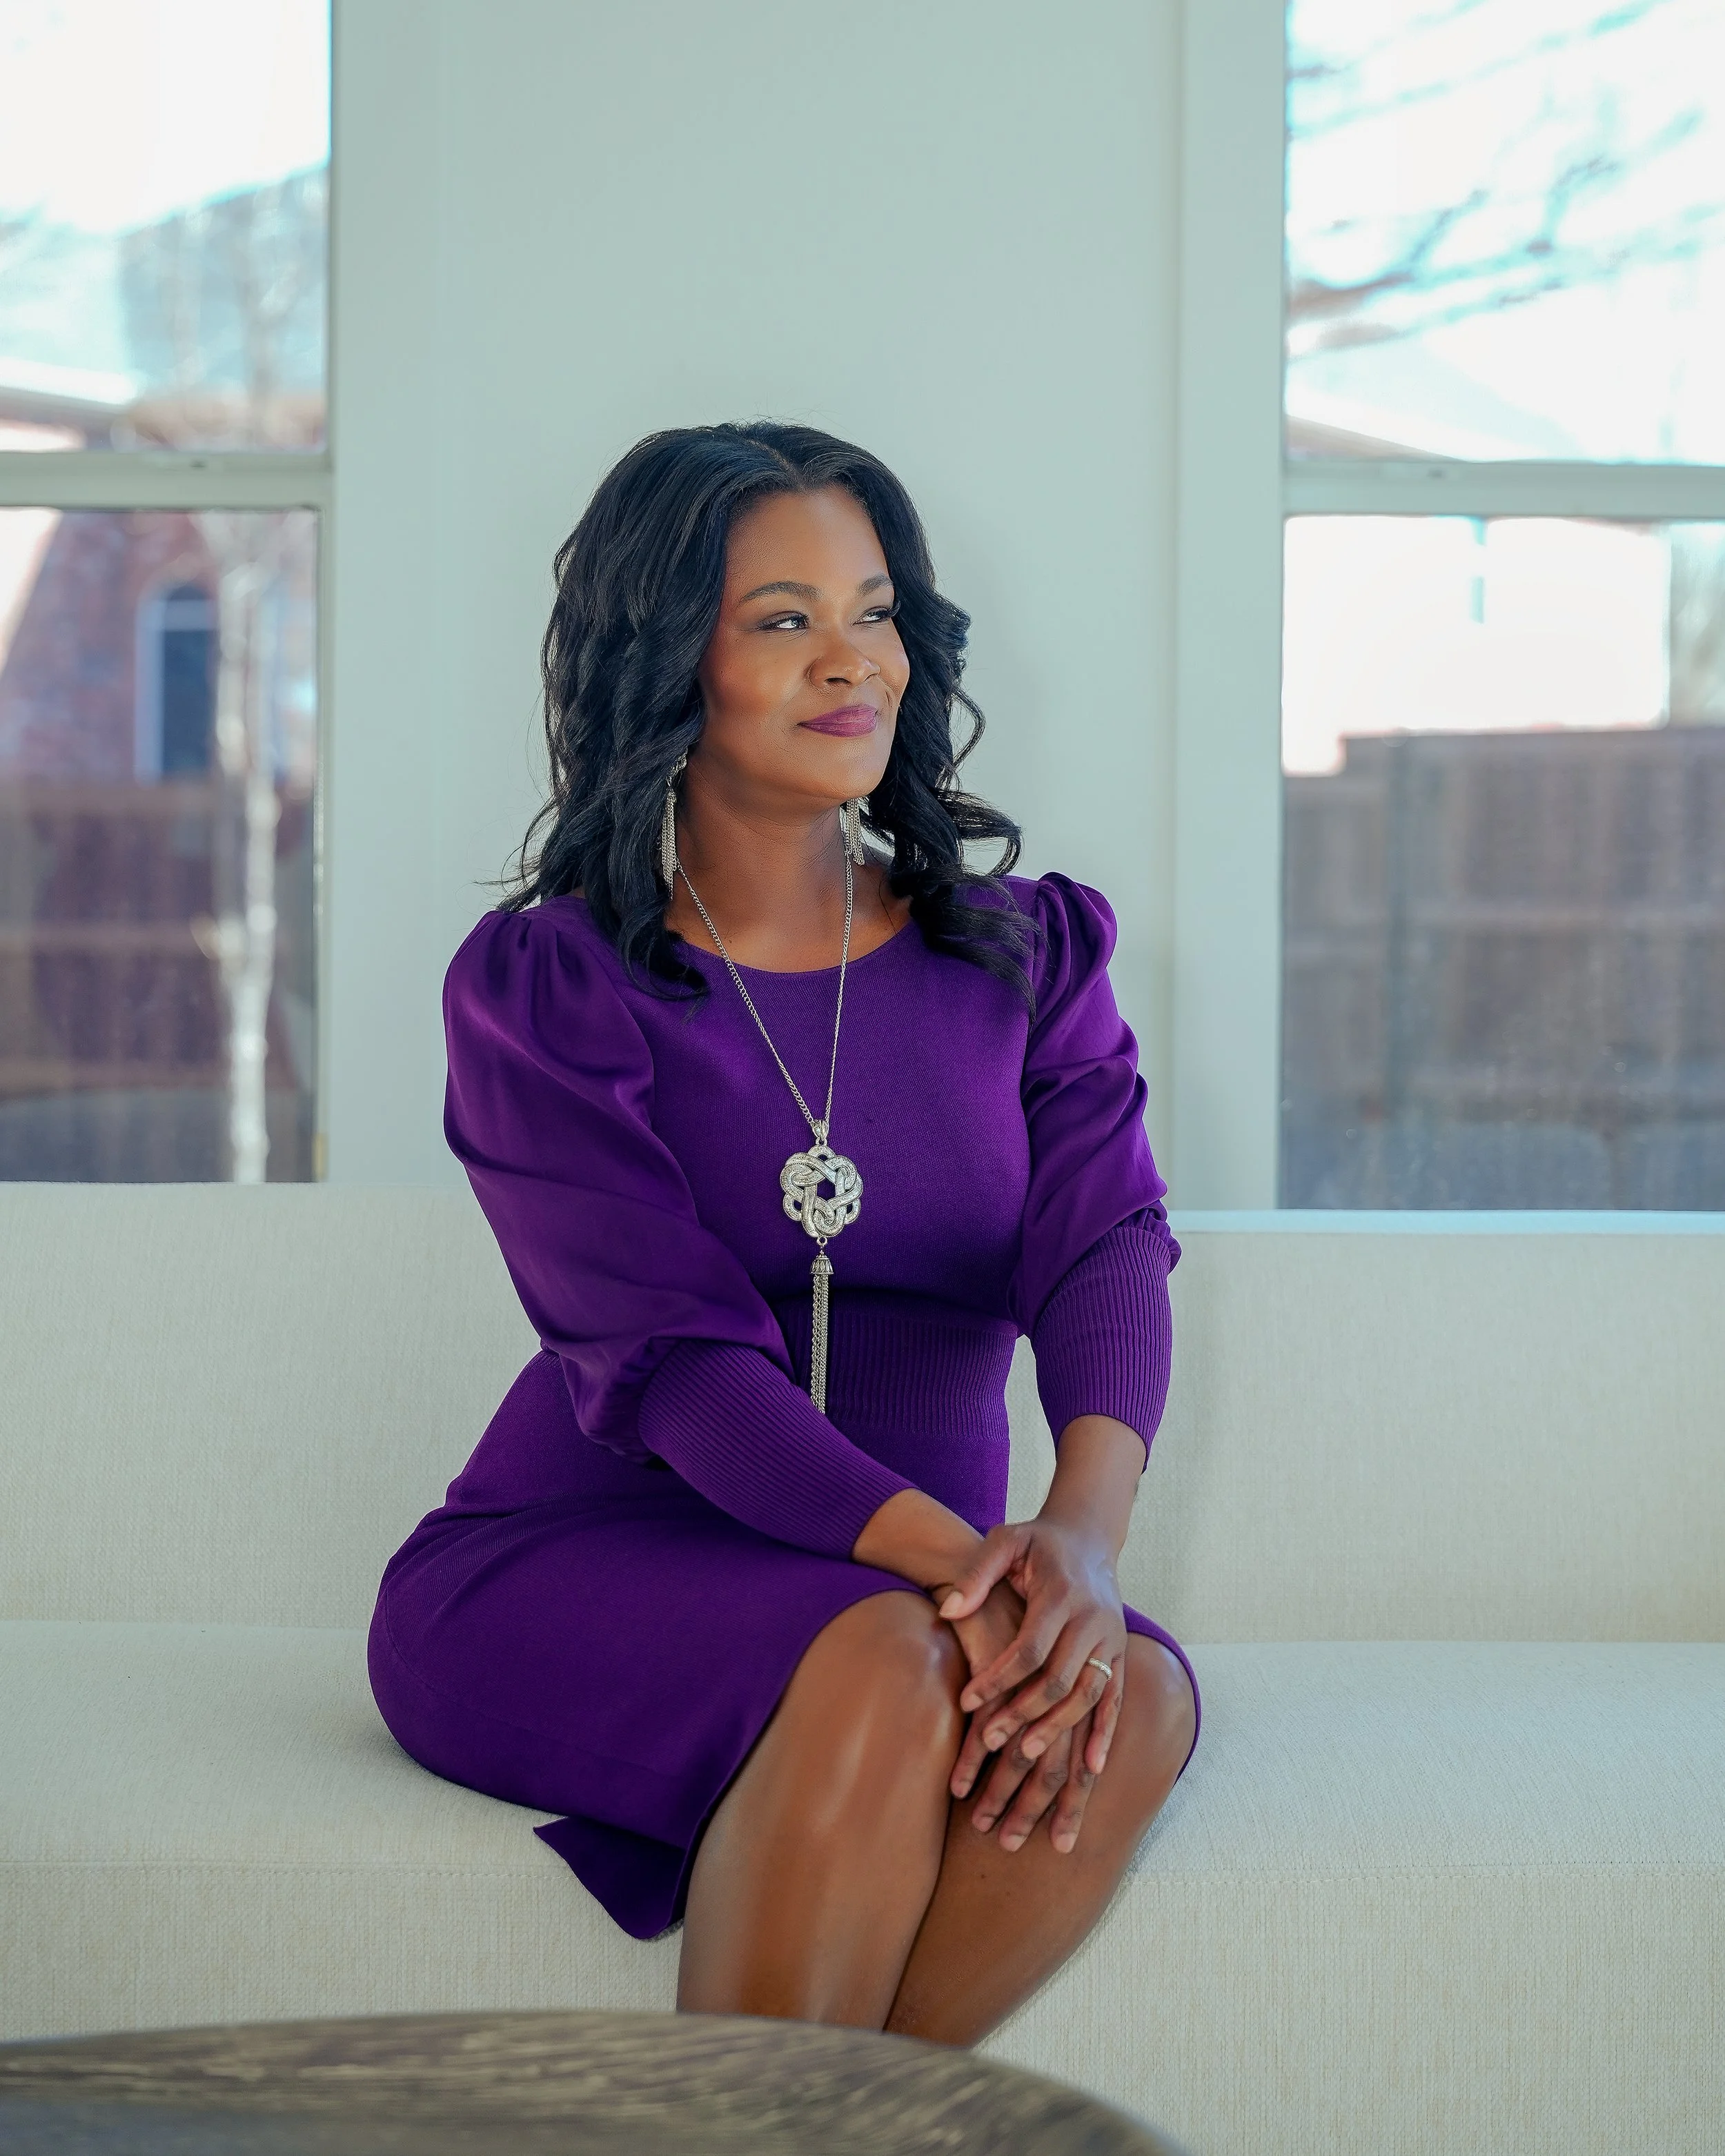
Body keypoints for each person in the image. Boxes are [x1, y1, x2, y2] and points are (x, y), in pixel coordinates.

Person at [368, 422, 1200, 2045]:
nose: (852, 661)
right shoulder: (550, 985)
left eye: (876, 611)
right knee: (890, 1661)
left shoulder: (1021, 956)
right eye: (780, 618)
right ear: (667, 659)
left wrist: (1078, 1548)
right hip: (578, 1560)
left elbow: (1107, 1246)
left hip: (915, 1588)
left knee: (1138, 1695)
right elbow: (670, 1358)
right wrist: (975, 1575)